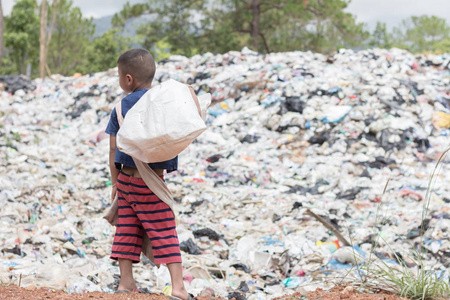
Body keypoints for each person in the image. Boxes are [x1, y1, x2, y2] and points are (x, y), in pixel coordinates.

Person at [105, 49, 194, 300]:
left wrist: (114, 182)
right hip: (152, 183)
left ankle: (126, 283)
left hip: (125, 181)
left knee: (126, 229)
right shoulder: (165, 103)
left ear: (128, 79)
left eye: (119, 75)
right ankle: (178, 287)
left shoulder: (120, 108)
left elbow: (113, 149)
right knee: (164, 230)